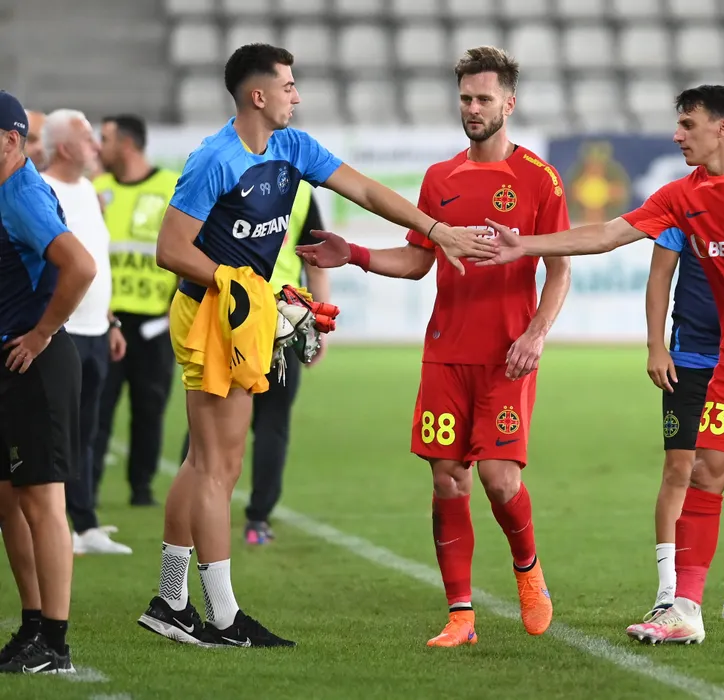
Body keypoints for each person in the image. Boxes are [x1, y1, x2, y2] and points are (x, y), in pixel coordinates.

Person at [136, 43, 495, 649]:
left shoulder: (294, 148)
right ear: (258, 96)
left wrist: (435, 230)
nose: (296, 96)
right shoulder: (214, 159)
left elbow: (367, 191)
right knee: (220, 468)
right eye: (288, 86)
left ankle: (171, 601)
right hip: (213, 318)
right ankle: (222, 617)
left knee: (202, 462)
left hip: (238, 314)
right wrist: (244, 288)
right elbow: (171, 250)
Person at [479, 85, 724, 645]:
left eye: (687, 125)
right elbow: (607, 234)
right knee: (704, 473)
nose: (677, 135)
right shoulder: (682, 195)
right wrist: (525, 245)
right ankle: (685, 610)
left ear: (723, 128)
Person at [297, 46, 570, 647]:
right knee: (448, 481)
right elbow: (418, 261)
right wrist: (354, 254)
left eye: (483, 99)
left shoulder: (539, 179)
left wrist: (535, 333)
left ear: (509, 104)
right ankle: (461, 616)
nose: (472, 108)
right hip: (446, 353)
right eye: (466, 98)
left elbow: (560, 269)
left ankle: (528, 571)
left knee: (500, 480)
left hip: (507, 356)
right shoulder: (439, 179)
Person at [642, 100, 724, 623]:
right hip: (693, 357)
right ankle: (669, 590)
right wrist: (656, 344)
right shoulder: (689, 198)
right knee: (682, 468)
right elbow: (660, 275)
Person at [0, 90, 97, 673]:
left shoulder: (20, 194)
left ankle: (54, 644)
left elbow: (80, 266)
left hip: (35, 361)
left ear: (10, 141)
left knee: (41, 502)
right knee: (10, 502)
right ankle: (33, 627)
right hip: (14, 359)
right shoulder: (10, 188)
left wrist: (40, 334)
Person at [178, 180, 331, 545]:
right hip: (277, 317)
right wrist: (319, 327)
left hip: (229, 315)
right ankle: (257, 521)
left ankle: (194, 509)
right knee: (271, 423)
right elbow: (317, 264)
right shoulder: (299, 190)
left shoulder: (225, 176)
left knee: (208, 420)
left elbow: (186, 247)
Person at [40, 109, 131, 555]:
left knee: (88, 432)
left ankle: (85, 524)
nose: (96, 145)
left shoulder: (90, 192)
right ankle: (59, 524)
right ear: (64, 148)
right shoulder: (42, 191)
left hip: (96, 330)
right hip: (63, 332)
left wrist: (111, 321)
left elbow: (98, 261)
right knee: (57, 434)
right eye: (87, 137)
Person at [92, 114, 180, 508]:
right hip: (104, 320)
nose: (99, 147)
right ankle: (86, 493)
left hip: (155, 324)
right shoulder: (96, 190)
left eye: (106, 139)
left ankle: (141, 489)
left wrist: (176, 308)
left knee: (149, 409)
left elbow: (190, 247)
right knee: (96, 410)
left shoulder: (171, 188)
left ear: (126, 144)